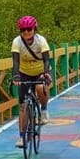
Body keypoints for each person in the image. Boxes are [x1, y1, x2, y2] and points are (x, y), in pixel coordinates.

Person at [11, 15, 52, 148]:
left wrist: (46, 73)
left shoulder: (41, 41)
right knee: (23, 106)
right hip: (24, 72)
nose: (26, 32)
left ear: (35, 29)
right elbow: (15, 62)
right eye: (23, 30)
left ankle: (44, 110)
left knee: (40, 88)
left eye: (29, 29)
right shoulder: (17, 42)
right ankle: (22, 137)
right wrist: (16, 76)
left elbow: (46, 59)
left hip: (41, 71)